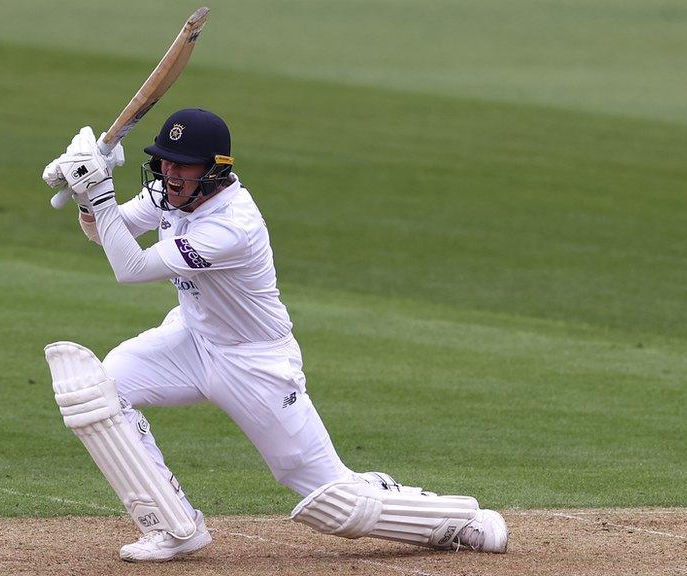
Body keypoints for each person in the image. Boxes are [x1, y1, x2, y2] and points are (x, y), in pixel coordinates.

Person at [40, 108, 508, 562]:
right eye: (164, 161)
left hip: (254, 362)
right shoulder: (171, 192)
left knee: (333, 504)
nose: (168, 173)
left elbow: (131, 267)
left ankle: (460, 520)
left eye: (181, 165)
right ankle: (173, 526)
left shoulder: (231, 226)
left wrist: (98, 190)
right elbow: (110, 234)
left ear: (215, 171)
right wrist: (89, 194)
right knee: (99, 391)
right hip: (192, 339)